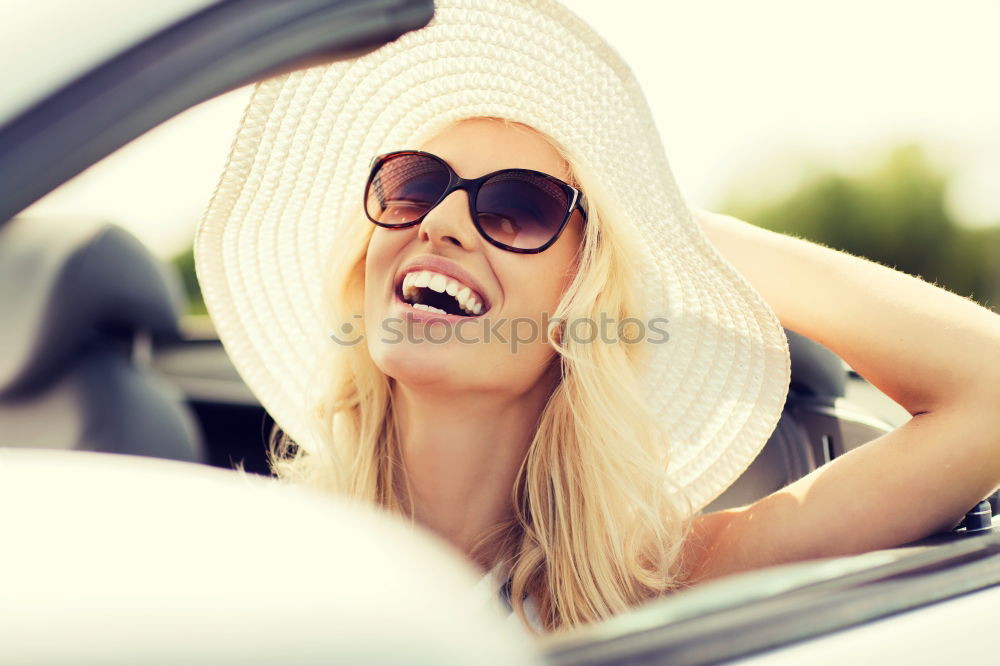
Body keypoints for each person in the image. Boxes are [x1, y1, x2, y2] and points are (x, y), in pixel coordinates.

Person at [194, 0, 1000, 635]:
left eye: (516, 208)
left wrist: (672, 236)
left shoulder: (662, 584)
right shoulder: (266, 564)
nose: (440, 222)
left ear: (582, 309)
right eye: (413, 185)